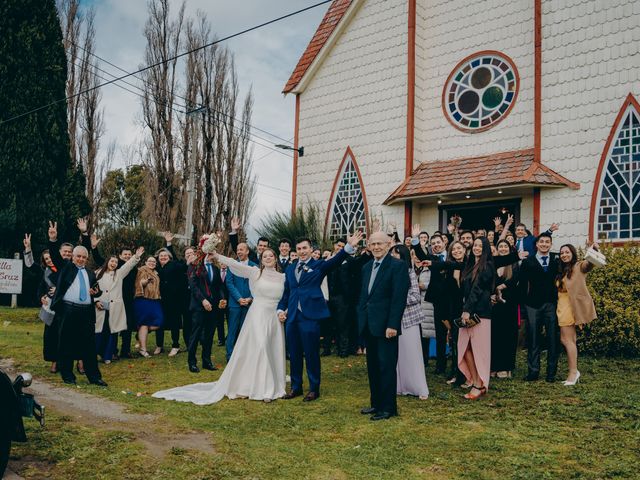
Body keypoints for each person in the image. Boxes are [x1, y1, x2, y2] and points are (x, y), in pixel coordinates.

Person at [153, 248, 286, 404]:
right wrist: (216, 255)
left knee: (271, 348)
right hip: (258, 315)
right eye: (265, 256)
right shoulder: (255, 272)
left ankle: (269, 382)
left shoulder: (283, 277)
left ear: (275, 258)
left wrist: (283, 311)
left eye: (271, 256)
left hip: (275, 317)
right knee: (261, 346)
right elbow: (234, 264)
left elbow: (288, 296)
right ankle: (265, 389)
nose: (268, 258)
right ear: (261, 259)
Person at [277, 232, 363, 401]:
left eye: (305, 248)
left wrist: (348, 247)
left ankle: (314, 388)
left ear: (311, 249)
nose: (302, 251)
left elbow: (336, 261)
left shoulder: (319, 266)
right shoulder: (290, 268)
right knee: (294, 354)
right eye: (299, 249)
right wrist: (280, 309)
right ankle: (296, 387)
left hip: (310, 315)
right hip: (293, 316)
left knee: (311, 353)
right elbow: (286, 293)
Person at [47, 219, 106, 386]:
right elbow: (55, 257)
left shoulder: (90, 273)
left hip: (86, 312)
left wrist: (97, 292)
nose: (81, 259)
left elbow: (97, 289)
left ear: (87, 259)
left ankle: (94, 377)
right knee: (66, 342)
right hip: (68, 310)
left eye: (83, 257)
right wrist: (53, 239)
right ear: (72, 257)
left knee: (89, 345)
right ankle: (68, 375)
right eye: (78, 256)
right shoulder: (66, 268)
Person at [358, 232, 409, 420]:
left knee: (386, 367)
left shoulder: (398, 266)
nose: (377, 247)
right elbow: (365, 296)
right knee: (373, 367)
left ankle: (388, 408)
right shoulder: (366, 267)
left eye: (380, 243)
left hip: (387, 326)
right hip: (369, 325)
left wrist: (393, 324)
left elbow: (398, 298)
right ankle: (376, 403)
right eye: (373, 244)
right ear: (369, 246)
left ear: (388, 245)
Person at [518, 232, 560, 382]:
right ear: (536, 244)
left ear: (550, 244)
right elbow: (522, 285)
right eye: (541, 242)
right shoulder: (528, 262)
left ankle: (551, 373)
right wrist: (524, 305)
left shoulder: (556, 261)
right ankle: (533, 371)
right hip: (532, 305)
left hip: (550, 304)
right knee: (533, 338)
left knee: (552, 339)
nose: (544, 244)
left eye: (547, 242)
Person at [556, 243, 599, 385]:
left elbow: (589, 264)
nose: (564, 255)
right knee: (568, 340)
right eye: (562, 253)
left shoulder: (579, 266)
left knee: (567, 340)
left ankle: (573, 373)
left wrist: (593, 250)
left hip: (570, 308)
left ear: (573, 253)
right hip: (561, 306)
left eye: (567, 252)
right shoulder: (562, 270)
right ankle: (573, 371)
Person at [458, 237, 495, 400]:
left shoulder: (487, 266)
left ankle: (479, 384)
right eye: (475, 245)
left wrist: (467, 310)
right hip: (468, 311)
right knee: (464, 348)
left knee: (478, 350)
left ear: (485, 248)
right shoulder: (470, 265)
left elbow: (477, 289)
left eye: (480, 246)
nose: (477, 248)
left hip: (480, 313)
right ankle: (474, 380)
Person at [94, 247, 144, 364]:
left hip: (114, 308)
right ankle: (97, 353)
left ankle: (108, 355)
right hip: (100, 308)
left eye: (116, 262)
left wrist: (136, 257)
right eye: (112, 261)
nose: (114, 264)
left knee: (112, 331)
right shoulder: (98, 273)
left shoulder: (119, 274)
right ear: (107, 262)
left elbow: (129, 265)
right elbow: (93, 289)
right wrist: (96, 301)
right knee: (100, 331)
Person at [410, 228, 450, 376]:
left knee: (450, 334)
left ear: (444, 243)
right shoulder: (431, 259)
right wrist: (415, 240)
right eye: (433, 243)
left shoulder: (450, 257)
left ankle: (454, 366)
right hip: (436, 301)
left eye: (438, 242)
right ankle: (440, 366)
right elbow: (420, 254)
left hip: (451, 300)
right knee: (439, 334)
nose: (436, 245)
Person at [391, 245, 428, 400]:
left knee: (412, 354)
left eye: (396, 254)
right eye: (392, 253)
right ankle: (400, 386)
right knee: (397, 355)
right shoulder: (389, 272)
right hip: (393, 319)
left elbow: (415, 296)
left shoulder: (409, 272)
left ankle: (419, 388)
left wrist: (396, 301)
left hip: (409, 319)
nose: (393, 256)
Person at [186, 238, 227, 373]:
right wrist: (203, 301)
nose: (210, 256)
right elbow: (194, 286)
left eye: (213, 253)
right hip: (199, 306)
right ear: (204, 253)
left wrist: (222, 298)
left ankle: (206, 361)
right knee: (196, 334)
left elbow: (219, 286)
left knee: (209, 335)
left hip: (213, 307)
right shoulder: (195, 266)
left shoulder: (215, 268)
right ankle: (192, 362)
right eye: (209, 253)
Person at [23, 234, 59, 373]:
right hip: (50, 309)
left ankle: (64, 361)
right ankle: (54, 362)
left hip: (63, 307)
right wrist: (28, 248)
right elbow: (30, 265)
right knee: (50, 336)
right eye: (46, 259)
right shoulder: (44, 272)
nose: (49, 260)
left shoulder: (64, 269)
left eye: (50, 257)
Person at [490, 240, 519, 378]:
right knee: (495, 336)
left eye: (505, 246)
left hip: (509, 305)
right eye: (500, 246)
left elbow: (516, 280)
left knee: (508, 336)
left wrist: (501, 287)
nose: (503, 248)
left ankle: (506, 367)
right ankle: (494, 366)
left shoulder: (514, 264)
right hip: (494, 306)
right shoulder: (493, 264)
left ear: (510, 249)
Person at [225, 242, 257, 361]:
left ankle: (244, 356)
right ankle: (230, 356)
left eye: (241, 249)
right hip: (235, 303)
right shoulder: (232, 265)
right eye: (237, 250)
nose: (239, 252)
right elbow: (229, 283)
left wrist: (250, 298)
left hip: (249, 304)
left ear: (247, 251)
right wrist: (239, 298)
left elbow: (257, 285)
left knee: (245, 332)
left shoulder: (255, 267)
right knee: (232, 331)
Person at [156, 239, 186, 357]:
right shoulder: (157, 268)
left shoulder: (175, 265)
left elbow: (183, 266)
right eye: (161, 256)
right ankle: (159, 345)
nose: (163, 257)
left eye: (165, 255)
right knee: (160, 323)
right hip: (160, 300)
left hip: (174, 300)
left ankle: (175, 345)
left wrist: (169, 245)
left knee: (174, 323)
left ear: (169, 257)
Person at [134, 256, 163, 358]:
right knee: (144, 323)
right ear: (145, 262)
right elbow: (140, 282)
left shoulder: (156, 272)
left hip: (155, 300)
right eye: (149, 261)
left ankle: (140, 334)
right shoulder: (142, 270)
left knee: (158, 323)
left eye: (154, 261)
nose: (152, 263)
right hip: (144, 299)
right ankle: (143, 349)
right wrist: (145, 282)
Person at [413, 251, 434, 368]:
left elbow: (431, 284)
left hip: (425, 303)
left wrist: (423, 286)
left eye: (417, 255)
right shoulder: (411, 269)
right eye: (413, 255)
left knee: (425, 334)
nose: (416, 257)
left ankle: (425, 359)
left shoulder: (428, 269)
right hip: (414, 304)